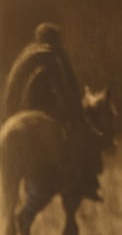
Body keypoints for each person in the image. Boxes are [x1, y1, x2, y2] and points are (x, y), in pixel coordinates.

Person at [3, 22, 102, 200]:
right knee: (83, 139)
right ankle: (85, 186)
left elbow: (10, 91)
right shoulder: (55, 56)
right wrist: (76, 115)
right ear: (56, 40)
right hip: (46, 114)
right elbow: (68, 89)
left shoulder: (24, 56)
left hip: (11, 117)